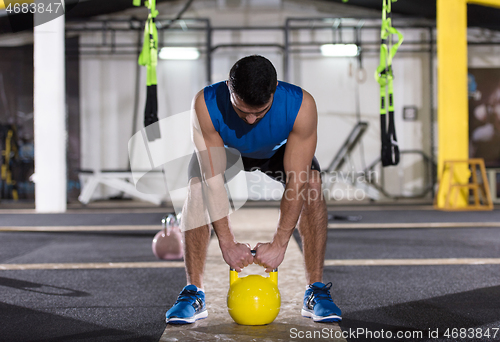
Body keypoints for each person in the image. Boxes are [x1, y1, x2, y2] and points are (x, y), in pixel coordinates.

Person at [165, 55, 341, 324]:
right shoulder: (206, 103)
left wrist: (281, 242)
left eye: (259, 112)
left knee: (312, 185)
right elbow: (214, 182)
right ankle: (193, 292)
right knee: (198, 185)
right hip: (226, 150)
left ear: (274, 91)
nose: (249, 119)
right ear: (229, 88)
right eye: (241, 110)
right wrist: (226, 242)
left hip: (276, 152)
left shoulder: (300, 105)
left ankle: (315, 290)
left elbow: (297, 183)